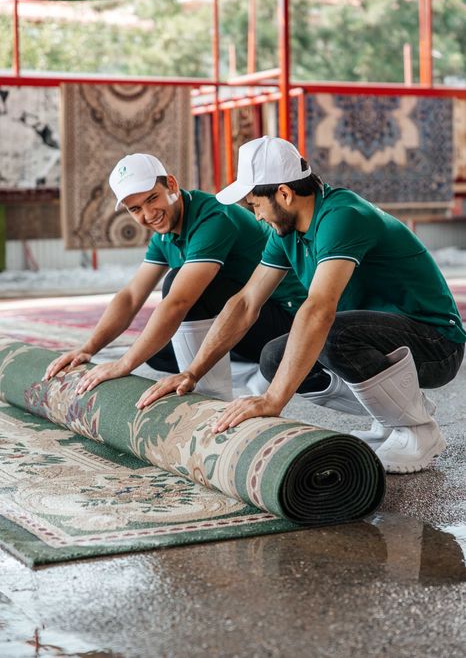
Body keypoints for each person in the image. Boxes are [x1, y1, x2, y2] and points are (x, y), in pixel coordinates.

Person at [139, 136, 466, 474]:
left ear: (284, 194)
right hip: (385, 340)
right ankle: (392, 414)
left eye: (256, 205)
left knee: (330, 332)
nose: (257, 216)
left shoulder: (342, 216)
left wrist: (273, 400)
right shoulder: (286, 232)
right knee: (274, 357)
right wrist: (192, 373)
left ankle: (417, 430)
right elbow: (246, 302)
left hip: (437, 344)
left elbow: (319, 309)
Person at [44, 152, 307, 400]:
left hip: (286, 326)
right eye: (135, 209)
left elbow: (179, 301)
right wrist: (88, 348)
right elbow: (132, 296)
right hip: (241, 325)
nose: (148, 215)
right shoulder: (165, 234)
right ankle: (240, 368)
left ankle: (213, 395)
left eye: (152, 199)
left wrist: (124, 364)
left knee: (177, 287)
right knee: (155, 351)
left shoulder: (214, 217)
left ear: (171, 185)